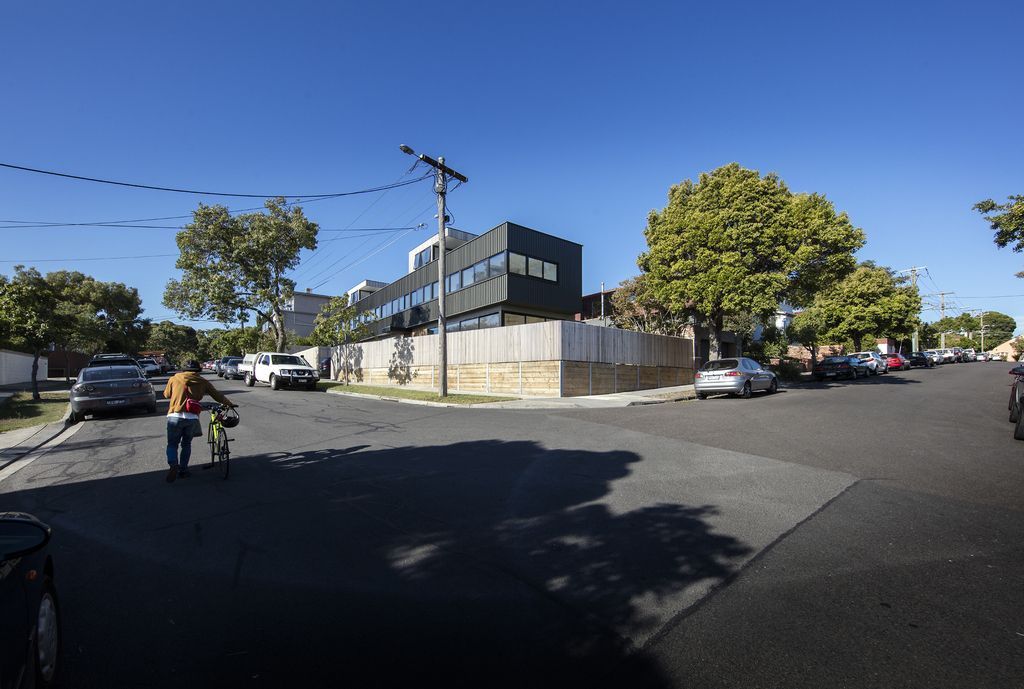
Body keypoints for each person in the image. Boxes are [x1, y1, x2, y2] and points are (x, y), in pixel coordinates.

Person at [163, 360, 235, 483]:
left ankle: (173, 464)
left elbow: (166, 395)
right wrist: (230, 404)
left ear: (183, 369)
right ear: (198, 370)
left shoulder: (174, 379)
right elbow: (217, 395)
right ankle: (183, 470)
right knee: (186, 444)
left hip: (174, 416)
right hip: (192, 418)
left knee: (172, 444)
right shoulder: (203, 381)